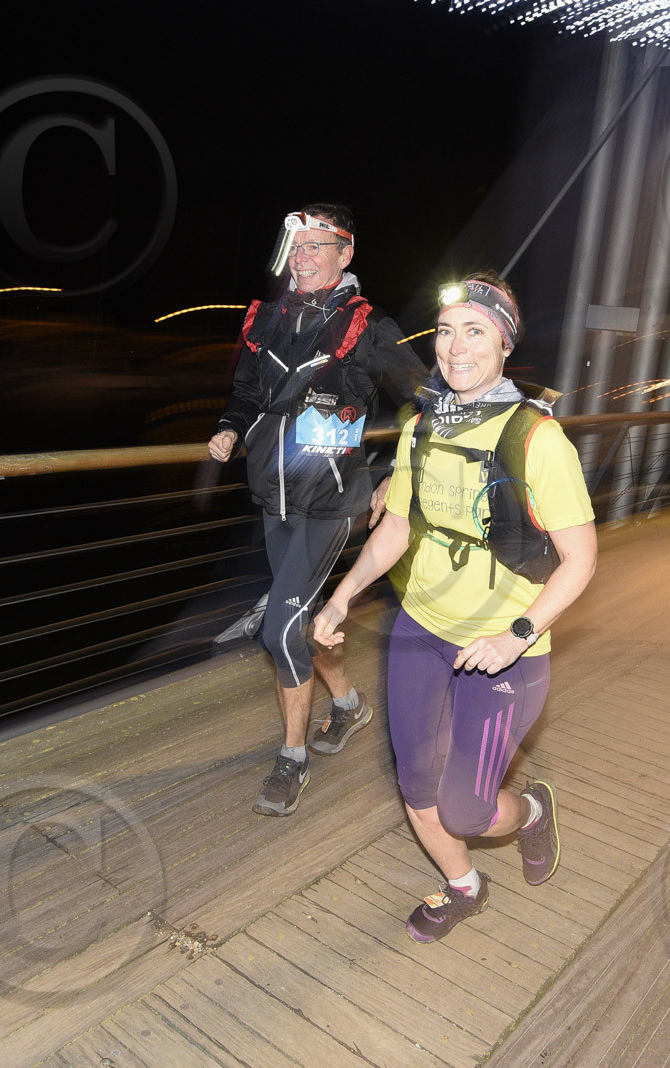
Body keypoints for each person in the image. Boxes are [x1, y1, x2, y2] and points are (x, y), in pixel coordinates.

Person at [314, 271, 597, 942]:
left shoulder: (537, 439)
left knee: (468, 810)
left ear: (505, 345)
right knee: (417, 785)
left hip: (503, 650)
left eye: (476, 331)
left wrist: (516, 634)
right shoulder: (421, 427)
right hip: (420, 629)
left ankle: (531, 812)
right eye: (445, 332)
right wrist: (343, 596)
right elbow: (395, 528)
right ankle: (464, 885)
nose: (455, 347)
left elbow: (581, 560)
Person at [209, 204, 424, 816]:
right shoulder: (269, 318)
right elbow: (246, 392)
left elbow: (425, 401)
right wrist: (230, 427)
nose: (300, 259)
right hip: (273, 497)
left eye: (315, 247)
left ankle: (292, 761)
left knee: (278, 630)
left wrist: (398, 473)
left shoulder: (367, 326)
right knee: (297, 618)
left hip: (332, 501)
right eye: (295, 248)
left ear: (344, 255)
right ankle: (349, 706)